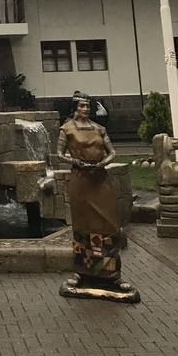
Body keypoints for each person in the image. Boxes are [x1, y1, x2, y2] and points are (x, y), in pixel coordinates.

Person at [57, 91, 133, 293]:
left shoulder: (99, 129)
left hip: (100, 180)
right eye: (81, 105)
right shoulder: (66, 129)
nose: (85, 109)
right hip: (81, 180)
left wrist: (102, 163)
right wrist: (76, 161)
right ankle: (82, 272)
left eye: (87, 106)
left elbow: (112, 152)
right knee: (83, 225)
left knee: (110, 225)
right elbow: (59, 154)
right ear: (75, 108)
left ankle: (112, 273)